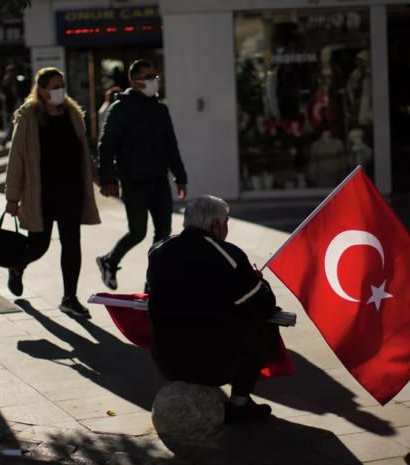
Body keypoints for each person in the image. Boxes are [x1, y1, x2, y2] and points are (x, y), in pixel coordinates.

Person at [147, 195, 280, 423]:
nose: (227, 228)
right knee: (262, 323)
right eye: (226, 222)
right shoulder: (229, 256)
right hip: (212, 366)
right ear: (216, 225)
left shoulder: (158, 250)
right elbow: (264, 306)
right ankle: (239, 403)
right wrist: (258, 280)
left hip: (166, 361)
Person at [4, 67, 101, 318]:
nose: (60, 90)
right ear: (42, 91)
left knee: (72, 244)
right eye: (55, 86)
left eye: (62, 85)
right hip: (41, 194)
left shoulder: (72, 113)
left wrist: (99, 177)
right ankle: (17, 265)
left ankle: (70, 298)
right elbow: (16, 160)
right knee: (39, 245)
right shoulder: (27, 117)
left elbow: (83, 152)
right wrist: (12, 198)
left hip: (71, 191)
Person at [96, 60, 188, 291]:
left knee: (164, 234)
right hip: (133, 180)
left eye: (154, 76)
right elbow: (106, 145)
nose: (153, 81)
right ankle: (109, 260)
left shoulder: (160, 109)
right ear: (134, 81)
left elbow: (171, 144)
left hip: (159, 180)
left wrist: (180, 176)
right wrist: (108, 180)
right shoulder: (120, 108)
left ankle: (152, 285)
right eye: (147, 77)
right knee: (138, 232)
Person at [0, 64, 29, 147]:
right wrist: (5, 83)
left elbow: (26, 92)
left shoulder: (21, 80)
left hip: (22, 105)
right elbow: (4, 93)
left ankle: (5, 140)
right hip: (14, 106)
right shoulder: (8, 82)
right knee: (14, 124)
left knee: (13, 124)